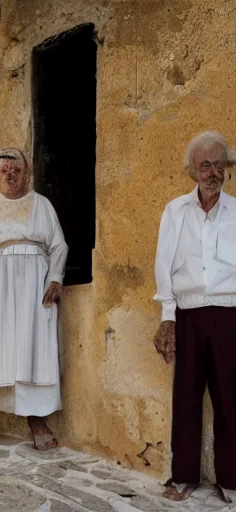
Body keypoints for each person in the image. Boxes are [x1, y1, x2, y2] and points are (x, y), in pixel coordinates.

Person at [0, 147, 68, 450]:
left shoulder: (41, 204)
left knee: (31, 348)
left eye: (16, 170)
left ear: (26, 173)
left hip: (34, 283)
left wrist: (55, 277)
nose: (10, 175)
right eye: (4, 170)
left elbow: (58, 246)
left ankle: (36, 420)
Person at [153, 131, 236, 502]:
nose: (212, 172)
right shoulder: (175, 210)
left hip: (229, 313)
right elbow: (163, 264)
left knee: (231, 399)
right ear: (193, 170)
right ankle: (184, 476)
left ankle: (232, 479)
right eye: (205, 165)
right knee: (185, 397)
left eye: (219, 164)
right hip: (187, 313)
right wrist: (167, 315)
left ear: (227, 170)